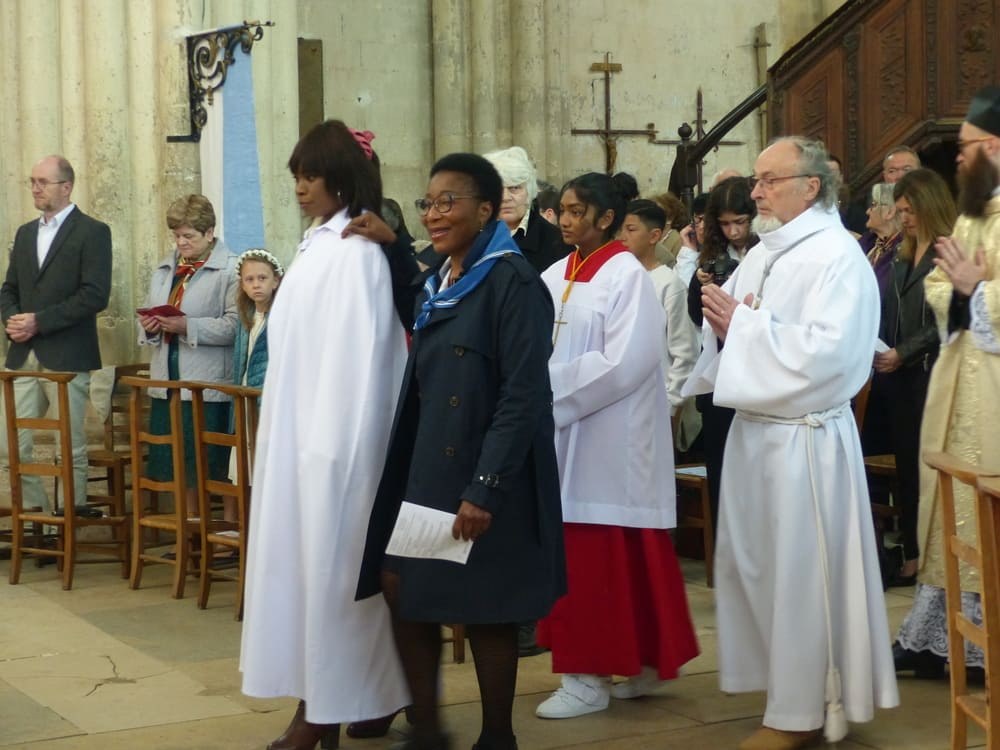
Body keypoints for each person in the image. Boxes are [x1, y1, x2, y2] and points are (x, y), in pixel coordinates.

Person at [682, 136, 898, 750]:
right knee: (762, 570)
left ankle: (800, 712)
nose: (755, 192)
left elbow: (832, 356)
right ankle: (784, 689)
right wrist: (730, 327)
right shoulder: (768, 250)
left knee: (802, 577)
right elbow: (744, 328)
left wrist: (744, 326)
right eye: (757, 180)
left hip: (804, 442)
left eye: (769, 180)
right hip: (758, 433)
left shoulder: (837, 256)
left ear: (811, 186)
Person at [357, 153, 566, 750]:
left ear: (486, 210)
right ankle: (428, 727)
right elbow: (414, 311)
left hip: (484, 472)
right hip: (434, 469)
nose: (434, 214)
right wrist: (394, 246)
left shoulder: (512, 282)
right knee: (401, 586)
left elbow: (524, 396)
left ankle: (497, 736)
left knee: (487, 608)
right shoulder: (442, 279)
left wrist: (485, 489)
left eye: (448, 202)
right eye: (428, 203)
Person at [240, 120, 409, 750]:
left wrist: (333, 451)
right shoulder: (317, 244)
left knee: (337, 580)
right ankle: (374, 693)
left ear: (343, 177)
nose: (301, 188)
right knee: (309, 578)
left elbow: (361, 361)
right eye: (297, 176)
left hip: (335, 447)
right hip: (298, 437)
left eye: (312, 176)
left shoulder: (356, 252)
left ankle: (324, 708)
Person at [535, 172, 698, 720]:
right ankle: (640, 660)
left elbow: (628, 360)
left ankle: (588, 678)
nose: (565, 220)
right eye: (562, 210)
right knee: (592, 550)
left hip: (611, 435)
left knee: (602, 553)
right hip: (565, 431)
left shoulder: (628, 275)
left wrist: (551, 391)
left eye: (577, 211)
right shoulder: (554, 273)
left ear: (606, 218)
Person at [893, 86, 1000, 680]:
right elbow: (940, 285)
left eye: (965, 147)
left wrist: (975, 291)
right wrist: (960, 292)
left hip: (995, 394)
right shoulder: (972, 214)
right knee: (950, 508)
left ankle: (985, 643)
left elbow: (971, 289)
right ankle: (938, 638)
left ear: (994, 146)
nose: (957, 158)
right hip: (961, 381)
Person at [0, 155, 112, 513]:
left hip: (67, 353)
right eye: (32, 181)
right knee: (9, 443)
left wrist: (40, 321)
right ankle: (36, 517)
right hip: (24, 353)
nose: (35, 188)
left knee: (69, 444)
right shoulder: (25, 233)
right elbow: (9, 289)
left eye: (43, 182)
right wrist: (13, 320)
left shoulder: (92, 232)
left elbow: (95, 295)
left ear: (66, 186)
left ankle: (70, 515)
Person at [875, 170, 954, 587]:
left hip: (930, 372)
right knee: (907, 467)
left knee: (926, 468)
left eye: (910, 210)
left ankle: (930, 556)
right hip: (898, 378)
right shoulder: (902, 252)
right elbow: (891, 309)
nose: (904, 218)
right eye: (900, 210)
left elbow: (946, 318)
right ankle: (911, 552)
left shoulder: (947, 251)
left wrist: (902, 352)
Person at [137, 195, 237, 517]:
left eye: (188, 236)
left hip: (206, 385)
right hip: (168, 380)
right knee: (179, 465)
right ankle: (189, 527)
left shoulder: (231, 269)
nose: (181, 242)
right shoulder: (166, 268)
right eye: (177, 235)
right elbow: (150, 313)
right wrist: (150, 326)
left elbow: (235, 326)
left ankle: (223, 530)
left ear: (209, 233)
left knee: (210, 464)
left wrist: (187, 326)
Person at [686, 176, 757, 536]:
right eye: (725, 224)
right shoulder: (713, 256)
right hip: (719, 375)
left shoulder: (766, 252)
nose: (733, 231)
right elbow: (695, 315)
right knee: (721, 465)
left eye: (740, 222)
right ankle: (722, 547)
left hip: (756, 374)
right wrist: (701, 285)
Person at [620, 199, 701, 449]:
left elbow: (684, 352)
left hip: (656, 401)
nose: (622, 236)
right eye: (620, 229)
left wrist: (672, 405)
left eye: (631, 229)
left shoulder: (668, 283)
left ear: (654, 235)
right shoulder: (617, 278)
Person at [225, 248, 282, 522]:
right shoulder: (246, 318)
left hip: (265, 402)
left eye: (262, 278)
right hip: (244, 401)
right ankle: (246, 528)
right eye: (250, 280)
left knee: (266, 467)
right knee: (245, 469)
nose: (256, 284)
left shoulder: (281, 316)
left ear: (276, 281)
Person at [483, 146, 570, 273]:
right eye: (497, 189)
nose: (505, 198)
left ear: (530, 191)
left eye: (514, 188)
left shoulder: (557, 242)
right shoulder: (469, 236)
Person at [676, 192, 709, 287]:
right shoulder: (691, 250)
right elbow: (680, 289)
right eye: (698, 219)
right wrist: (688, 251)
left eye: (707, 220)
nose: (702, 226)